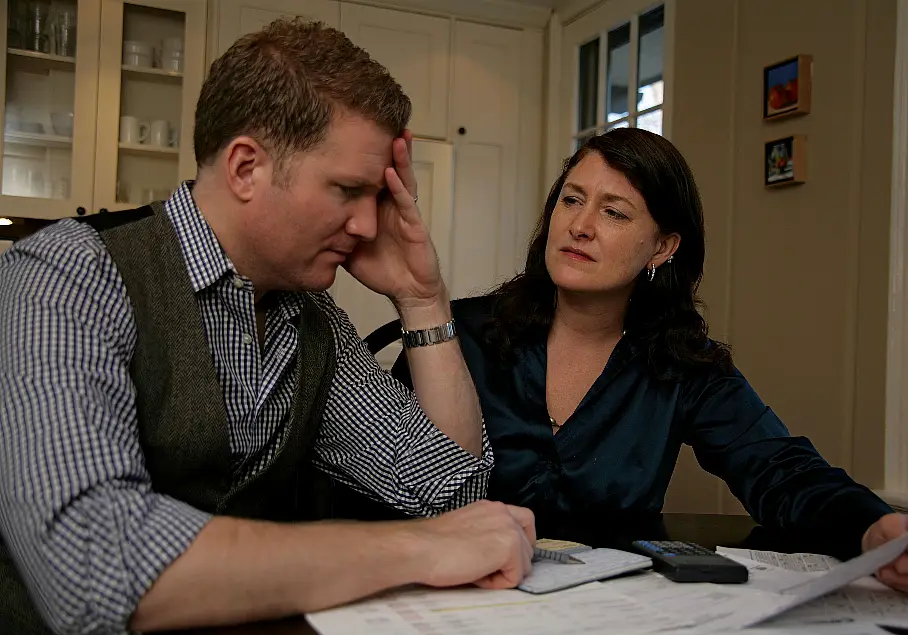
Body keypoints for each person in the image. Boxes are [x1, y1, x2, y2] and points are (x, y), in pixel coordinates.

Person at [0, 19, 536, 635]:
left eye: (377, 198)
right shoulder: (66, 274)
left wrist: (422, 299)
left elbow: (451, 494)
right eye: (347, 190)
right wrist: (416, 548)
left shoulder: (313, 322)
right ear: (247, 168)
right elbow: (95, 567)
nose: (367, 226)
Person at [392, 127, 908, 599]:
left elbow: (782, 470)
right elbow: (381, 483)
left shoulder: (684, 364)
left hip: (610, 614)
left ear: (662, 248)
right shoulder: (454, 334)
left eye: (614, 212)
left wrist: (874, 528)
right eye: (571, 199)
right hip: (452, 602)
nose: (580, 225)